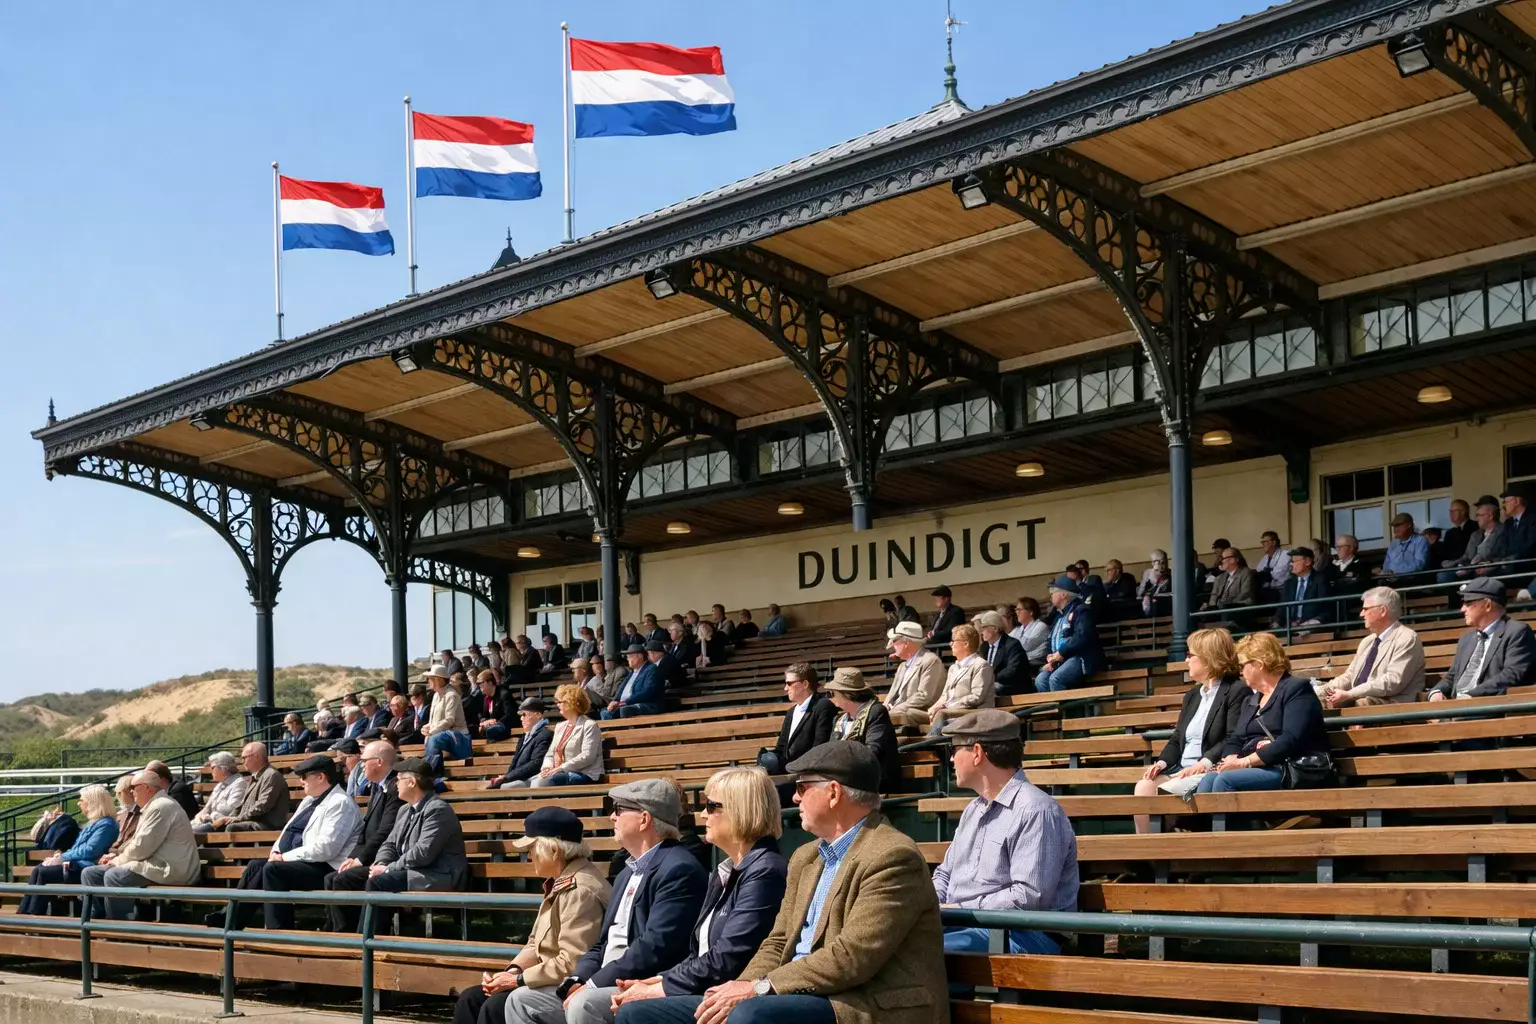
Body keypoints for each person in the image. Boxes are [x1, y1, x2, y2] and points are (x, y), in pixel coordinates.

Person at [626, 742, 944, 1024]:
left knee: (751, 1015)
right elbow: (777, 942)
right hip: (794, 995)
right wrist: (737, 989)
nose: (794, 797)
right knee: (639, 1013)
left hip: (860, 1002)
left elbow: (852, 958)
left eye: (802, 787)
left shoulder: (891, 855)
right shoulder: (806, 857)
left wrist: (757, 988)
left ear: (833, 793)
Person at [504, 780, 708, 1024]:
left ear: (644, 820)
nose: (612, 817)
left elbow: (654, 947)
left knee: (584, 1004)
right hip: (604, 979)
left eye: (619, 810)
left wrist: (591, 984)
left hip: (640, 982)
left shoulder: (679, 868)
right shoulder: (626, 872)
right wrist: (577, 979)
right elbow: (602, 944)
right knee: (521, 1000)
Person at [598, 769, 788, 1023]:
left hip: (732, 995)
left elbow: (728, 957)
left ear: (741, 809)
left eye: (712, 806)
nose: (703, 814)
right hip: (707, 988)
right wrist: (660, 979)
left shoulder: (765, 871)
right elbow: (698, 952)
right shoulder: (727, 869)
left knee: (633, 1012)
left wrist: (658, 989)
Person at [935, 710, 1078, 953]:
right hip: (965, 925)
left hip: (1022, 934)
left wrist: (961, 909)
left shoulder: (1036, 810)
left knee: (921, 955)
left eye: (954, 749)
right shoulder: (973, 809)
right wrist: (927, 904)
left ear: (977, 753)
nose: (951, 759)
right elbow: (944, 875)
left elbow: (1028, 897)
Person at [453, 807, 613, 1024]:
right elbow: (534, 943)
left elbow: (572, 962)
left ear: (554, 851)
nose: (528, 856)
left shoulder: (580, 890)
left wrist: (518, 980)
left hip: (569, 985)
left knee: (494, 1007)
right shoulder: (562, 880)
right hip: (546, 978)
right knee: (471, 999)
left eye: (532, 848)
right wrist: (512, 970)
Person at [211, 753, 363, 931]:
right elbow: (287, 832)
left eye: (304, 776)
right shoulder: (309, 801)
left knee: (273, 869)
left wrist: (284, 858)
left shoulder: (340, 803)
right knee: (255, 865)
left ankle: (278, 932)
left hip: (326, 867)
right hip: (302, 863)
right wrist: (276, 852)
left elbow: (326, 849)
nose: (301, 781)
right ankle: (231, 921)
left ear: (321, 777)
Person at [1132, 628, 1247, 832]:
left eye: (1190, 655)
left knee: (1165, 795)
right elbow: (1177, 738)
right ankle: (1146, 851)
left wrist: (1204, 763)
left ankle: (1169, 846)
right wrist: (1161, 762)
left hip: (1209, 770)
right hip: (1180, 770)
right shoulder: (1192, 695)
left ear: (1208, 658)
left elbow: (1232, 737)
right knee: (1144, 785)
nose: (1186, 660)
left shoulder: (1236, 690)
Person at [328, 757, 468, 916]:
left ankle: (370, 937)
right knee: (344, 879)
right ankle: (344, 934)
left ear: (412, 782)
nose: (395, 783)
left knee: (379, 883)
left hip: (436, 875)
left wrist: (387, 869)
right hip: (407, 870)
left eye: (399, 779)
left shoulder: (437, 810)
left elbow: (422, 854)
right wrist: (380, 863)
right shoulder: (404, 810)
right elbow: (389, 844)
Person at [1196, 633, 1330, 794]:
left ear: (1259, 664)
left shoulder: (1297, 689)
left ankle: (1243, 820)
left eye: (1242, 666)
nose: (1240, 672)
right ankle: (1210, 820)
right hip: (1260, 766)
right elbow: (1236, 738)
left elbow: (1290, 739)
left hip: (1289, 767)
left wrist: (1245, 762)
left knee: (1225, 780)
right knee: (1209, 780)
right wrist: (1230, 758)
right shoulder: (1251, 700)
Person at [81, 770, 201, 920]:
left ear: (147, 788)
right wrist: (116, 855)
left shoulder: (161, 807)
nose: (131, 791)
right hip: (154, 864)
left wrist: (116, 862)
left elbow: (142, 847)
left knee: (115, 876)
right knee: (91, 873)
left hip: (171, 869)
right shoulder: (153, 807)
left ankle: (121, 930)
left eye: (134, 787)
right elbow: (137, 842)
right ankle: (97, 921)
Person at [322, 741, 406, 932]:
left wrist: (360, 860)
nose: (360, 764)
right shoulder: (377, 786)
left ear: (378, 762)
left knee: (342, 879)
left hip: (386, 859)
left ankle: (349, 937)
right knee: (331, 878)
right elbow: (366, 828)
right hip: (371, 855)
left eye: (364, 760)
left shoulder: (395, 787)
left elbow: (386, 831)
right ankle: (335, 931)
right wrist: (352, 857)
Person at [1315, 587, 1426, 708]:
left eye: (1365, 609)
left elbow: (1392, 682)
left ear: (1383, 611)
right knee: (1313, 701)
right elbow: (1349, 676)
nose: (1361, 614)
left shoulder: (1407, 638)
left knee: (1360, 704)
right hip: (1359, 697)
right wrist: (1319, 691)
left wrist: (1350, 694)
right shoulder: (1367, 641)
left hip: (1393, 703)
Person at [18, 784, 119, 916]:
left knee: (43, 872)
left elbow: (90, 850)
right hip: (77, 865)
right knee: (38, 869)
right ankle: (23, 913)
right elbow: (79, 849)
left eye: (82, 800)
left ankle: (33, 915)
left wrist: (63, 858)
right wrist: (60, 857)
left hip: (85, 868)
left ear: (92, 802)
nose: (78, 803)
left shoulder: (107, 825)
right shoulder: (95, 824)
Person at [1429, 577, 1536, 700]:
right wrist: (1436, 691)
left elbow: (1511, 675)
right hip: (1456, 708)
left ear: (1488, 605)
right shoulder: (1466, 639)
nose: (1462, 609)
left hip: (1491, 709)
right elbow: (1452, 677)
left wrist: (1471, 695)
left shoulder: (1517, 632)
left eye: (1468, 603)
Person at [823, 667, 899, 791]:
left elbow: (872, 750)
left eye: (832, 693)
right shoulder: (838, 720)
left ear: (846, 694)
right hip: (845, 778)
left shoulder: (876, 712)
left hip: (872, 779)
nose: (831, 697)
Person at [758, 663, 835, 776]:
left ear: (805, 684)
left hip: (811, 774)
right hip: (791, 772)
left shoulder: (823, 706)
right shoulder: (791, 712)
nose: (785, 688)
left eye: (789, 683)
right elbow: (781, 748)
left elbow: (820, 748)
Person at [924, 623, 997, 736]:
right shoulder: (953, 668)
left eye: (953, 641)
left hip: (972, 715)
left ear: (965, 644)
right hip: (950, 715)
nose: (950, 644)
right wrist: (933, 709)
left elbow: (977, 697)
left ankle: (927, 748)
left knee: (942, 716)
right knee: (929, 715)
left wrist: (948, 706)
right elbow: (945, 696)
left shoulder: (981, 665)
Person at [1036, 575, 1105, 692]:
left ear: (1063, 594)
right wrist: (1050, 655)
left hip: (1080, 658)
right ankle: (1052, 710)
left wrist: (1061, 653)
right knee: (1040, 680)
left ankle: (1065, 710)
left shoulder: (1082, 610)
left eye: (1053, 592)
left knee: (1056, 679)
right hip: (1061, 660)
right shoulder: (1058, 615)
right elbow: (1052, 638)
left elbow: (1082, 636)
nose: (1050, 596)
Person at [533, 685, 605, 787]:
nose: (557, 705)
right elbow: (550, 754)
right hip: (558, 772)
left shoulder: (589, 725)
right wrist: (547, 767)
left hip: (584, 773)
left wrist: (560, 768)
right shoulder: (560, 726)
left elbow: (587, 756)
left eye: (560, 702)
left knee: (540, 782)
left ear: (572, 703)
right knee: (525, 783)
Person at [211, 742, 292, 833]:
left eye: (244, 758)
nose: (242, 762)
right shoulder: (256, 776)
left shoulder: (271, 775)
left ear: (256, 756)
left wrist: (238, 818)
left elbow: (262, 806)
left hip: (268, 824)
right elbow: (242, 805)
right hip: (254, 820)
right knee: (218, 825)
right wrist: (228, 817)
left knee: (232, 827)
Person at [883, 621, 946, 731]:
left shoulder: (930, 661)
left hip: (917, 713)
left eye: (895, 640)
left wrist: (896, 709)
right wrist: (884, 707)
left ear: (907, 642)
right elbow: (891, 694)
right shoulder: (902, 666)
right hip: (898, 713)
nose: (892, 645)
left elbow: (924, 696)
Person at [489, 698, 556, 789]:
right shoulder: (523, 737)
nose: (521, 718)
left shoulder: (546, 734)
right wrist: (505, 777)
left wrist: (507, 778)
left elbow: (536, 764)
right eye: (520, 715)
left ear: (538, 715)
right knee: (492, 787)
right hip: (518, 778)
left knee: (505, 787)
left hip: (532, 779)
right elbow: (514, 763)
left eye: (524, 714)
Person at [421, 664, 471, 765]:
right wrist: (426, 728)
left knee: (434, 739)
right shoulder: (435, 695)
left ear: (438, 680)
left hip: (458, 736)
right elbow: (433, 721)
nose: (428, 681)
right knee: (431, 738)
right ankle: (433, 771)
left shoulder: (451, 695)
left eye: (430, 679)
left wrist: (432, 731)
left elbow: (449, 720)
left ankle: (431, 773)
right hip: (441, 735)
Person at [190, 751, 249, 834]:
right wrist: (199, 817)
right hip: (209, 823)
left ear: (224, 768)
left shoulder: (239, 783)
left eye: (213, 767)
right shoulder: (219, 786)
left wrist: (208, 817)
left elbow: (231, 810)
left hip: (222, 826)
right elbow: (207, 808)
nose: (211, 771)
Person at [1276, 547, 1333, 632]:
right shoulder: (1289, 583)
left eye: (1295, 561)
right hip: (1291, 625)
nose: (1291, 564)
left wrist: (1303, 622)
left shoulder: (1320, 580)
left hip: (1312, 623)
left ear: (1307, 562)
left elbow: (1323, 606)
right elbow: (1282, 607)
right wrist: (1276, 622)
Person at [976, 610, 1030, 696]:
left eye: (984, 628)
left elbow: (1012, 671)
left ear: (996, 628)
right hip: (991, 683)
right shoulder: (984, 647)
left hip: (1012, 685)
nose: (981, 632)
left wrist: (990, 678)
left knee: (991, 689)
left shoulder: (1012, 644)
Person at [605, 644, 666, 720]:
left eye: (630, 656)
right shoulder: (631, 672)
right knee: (604, 712)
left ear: (639, 656)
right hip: (625, 704)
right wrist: (615, 701)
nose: (627, 659)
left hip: (647, 704)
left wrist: (625, 702)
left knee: (624, 710)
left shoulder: (652, 669)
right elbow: (621, 691)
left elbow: (648, 691)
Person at [1202, 547, 1258, 616]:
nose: (1221, 561)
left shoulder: (1246, 573)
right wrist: (1210, 607)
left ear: (1234, 559)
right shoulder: (1219, 578)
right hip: (1221, 609)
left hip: (1241, 609)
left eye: (1223, 558)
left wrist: (1226, 604)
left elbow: (1245, 594)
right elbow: (1213, 597)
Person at [1377, 512, 1431, 578]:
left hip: (1413, 581)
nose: (1395, 529)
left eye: (1398, 525)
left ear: (1409, 525)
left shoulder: (1420, 540)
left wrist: (1395, 572)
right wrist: (1386, 573)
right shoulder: (1393, 543)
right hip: (1391, 580)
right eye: (1394, 526)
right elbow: (1386, 565)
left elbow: (1419, 565)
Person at [467, 670, 513, 744]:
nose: (479, 686)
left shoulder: (504, 694)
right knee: (470, 731)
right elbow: (485, 716)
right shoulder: (486, 698)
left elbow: (510, 715)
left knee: (489, 731)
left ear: (490, 683)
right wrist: (483, 721)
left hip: (504, 728)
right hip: (491, 728)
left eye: (481, 683)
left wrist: (495, 722)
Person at [1012, 596, 1050, 668]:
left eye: (1019, 609)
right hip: (1023, 662)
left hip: (1037, 663)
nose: (1017, 613)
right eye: (1016, 610)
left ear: (1030, 612)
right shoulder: (1018, 629)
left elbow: (1026, 645)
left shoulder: (1041, 626)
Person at [1254, 531, 1292, 597]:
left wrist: (1264, 577)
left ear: (1274, 542)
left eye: (1265, 542)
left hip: (1282, 591)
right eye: (1262, 542)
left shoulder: (1285, 555)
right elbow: (1258, 573)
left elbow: (1278, 576)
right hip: (1268, 591)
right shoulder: (1265, 558)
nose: (1263, 544)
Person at [1441, 499, 1477, 564]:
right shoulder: (1449, 533)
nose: (1451, 514)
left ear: (1463, 511)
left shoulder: (1475, 527)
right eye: (1450, 511)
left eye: (1454, 511)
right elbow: (1445, 554)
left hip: (1469, 565)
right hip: (1452, 566)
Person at [1138, 550, 1172, 617]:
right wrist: (1155, 578)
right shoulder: (1148, 573)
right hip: (1149, 606)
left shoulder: (1171, 573)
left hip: (1165, 607)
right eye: (1159, 562)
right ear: (1153, 563)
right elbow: (1140, 593)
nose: (1162, 565)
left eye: (1164, 562)